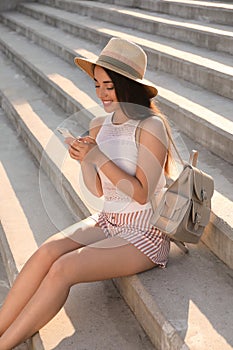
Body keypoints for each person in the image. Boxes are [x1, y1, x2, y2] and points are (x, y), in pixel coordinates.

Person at [0, 37, 174, 349]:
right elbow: (97, 188)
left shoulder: (151, 126)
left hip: (145, 232)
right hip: (109, 220)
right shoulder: (98, 125)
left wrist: (98, 158)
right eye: (97, 85)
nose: (102, 94)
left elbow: (141, 194)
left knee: (63, 268)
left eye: (109, 86)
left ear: (127, 86)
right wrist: (84, 160)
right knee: (46, 253)